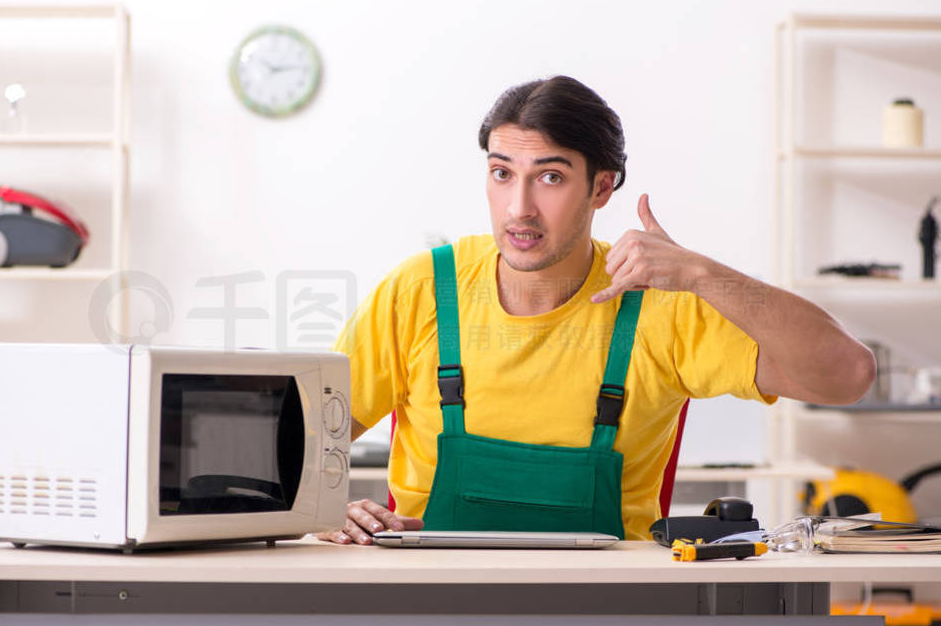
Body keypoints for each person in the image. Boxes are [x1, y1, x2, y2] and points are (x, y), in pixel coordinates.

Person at [317, 75, 876, 545]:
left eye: (551, 178)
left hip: (611, 615)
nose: (520, 208)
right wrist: (322, 512)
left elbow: (848, 375)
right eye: (502, 172)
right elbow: (298, 448)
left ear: (602, 187)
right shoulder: (421, 290)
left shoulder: (662, 303)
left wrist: (703, 274)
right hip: (429, 607)